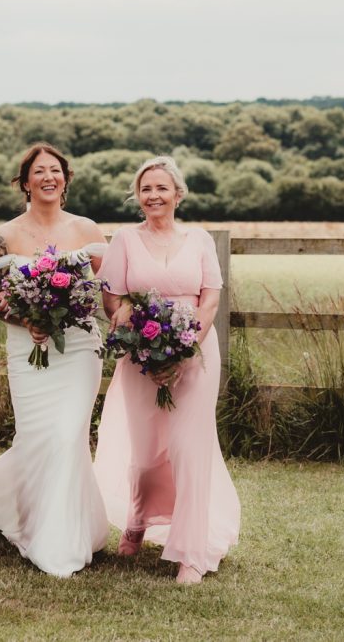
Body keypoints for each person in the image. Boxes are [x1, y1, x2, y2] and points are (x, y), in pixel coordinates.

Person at [0, 143, 109, 578]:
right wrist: (29, 322)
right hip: (29, 350)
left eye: (55, 171)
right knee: (39, 436)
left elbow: (107, 288)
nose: (48, 177)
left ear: (65, 179)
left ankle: (58, 538)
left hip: (78, 348)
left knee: (66, 434)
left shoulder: (87, 228)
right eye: (38, 171)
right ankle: (30, 516)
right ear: (24, 182)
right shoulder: (6, 234)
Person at [93, 155, 240, 584]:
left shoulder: (199, 241)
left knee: (187, 448)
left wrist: (185, 347)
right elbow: (113, 300)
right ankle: (138, 520)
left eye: (161, 188)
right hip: (139, 352)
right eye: (146, 189)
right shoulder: (123, 239)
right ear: (137, 197)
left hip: (195, 353)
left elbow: (210, 299)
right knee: (145, 452)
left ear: (178, 194)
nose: (153, 195)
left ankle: (191, 551)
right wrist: (142, 341)